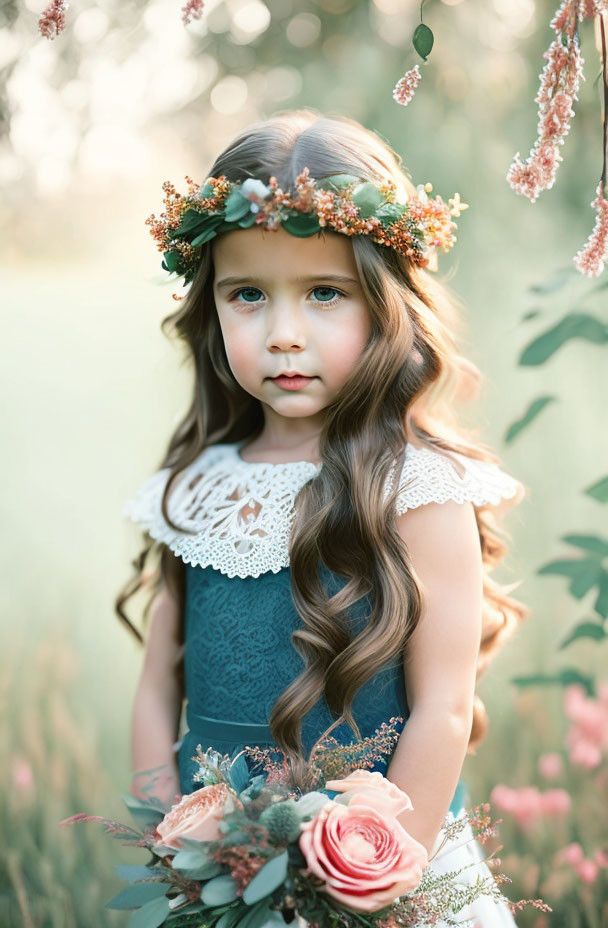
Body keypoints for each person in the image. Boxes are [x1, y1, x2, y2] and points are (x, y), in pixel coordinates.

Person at [117, 109, 528, 926]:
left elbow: (444, 703)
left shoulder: (419, 487)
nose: (283, 335)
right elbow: (159, 688)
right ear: (211, 309)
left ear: (384, 303)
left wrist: (369, 881)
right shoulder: (198, 483)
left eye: (324, 294)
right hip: (226, 870)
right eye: (247, 295)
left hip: (385, 869)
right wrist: (175, 842)